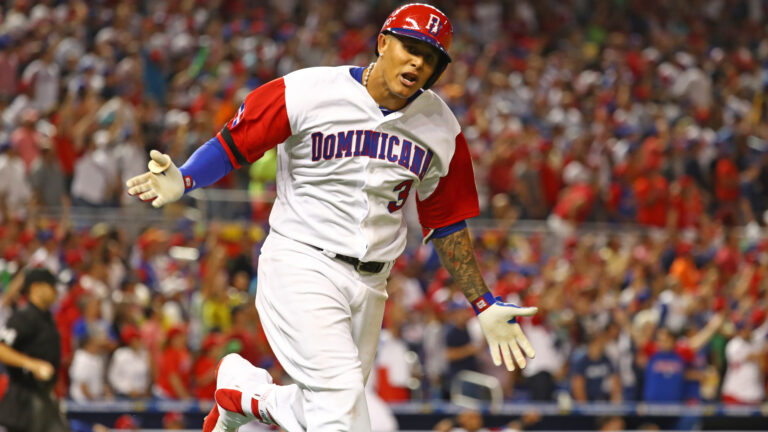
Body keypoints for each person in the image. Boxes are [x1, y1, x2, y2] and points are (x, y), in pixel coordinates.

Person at [127, 4, 537, 431]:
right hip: (302, 261)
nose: (418, 61)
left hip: (372, 284)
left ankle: (244, 392)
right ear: (382, 43)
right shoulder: (309, 90)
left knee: (327, 409)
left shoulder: (440, 128)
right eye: (410, 47)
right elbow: (235, 143)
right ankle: (244, 393)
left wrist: (483, 301)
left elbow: (447, 222)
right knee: (342, 412)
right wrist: (186, 179)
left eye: (431, 57)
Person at [0, 268, 70, 432]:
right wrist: (32, 364)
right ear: (36, 288)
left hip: (44, 398)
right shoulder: (23, 317)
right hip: (23, 400)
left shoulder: (46, 317)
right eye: (51, 287)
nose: (55, 292)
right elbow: (1, 348)